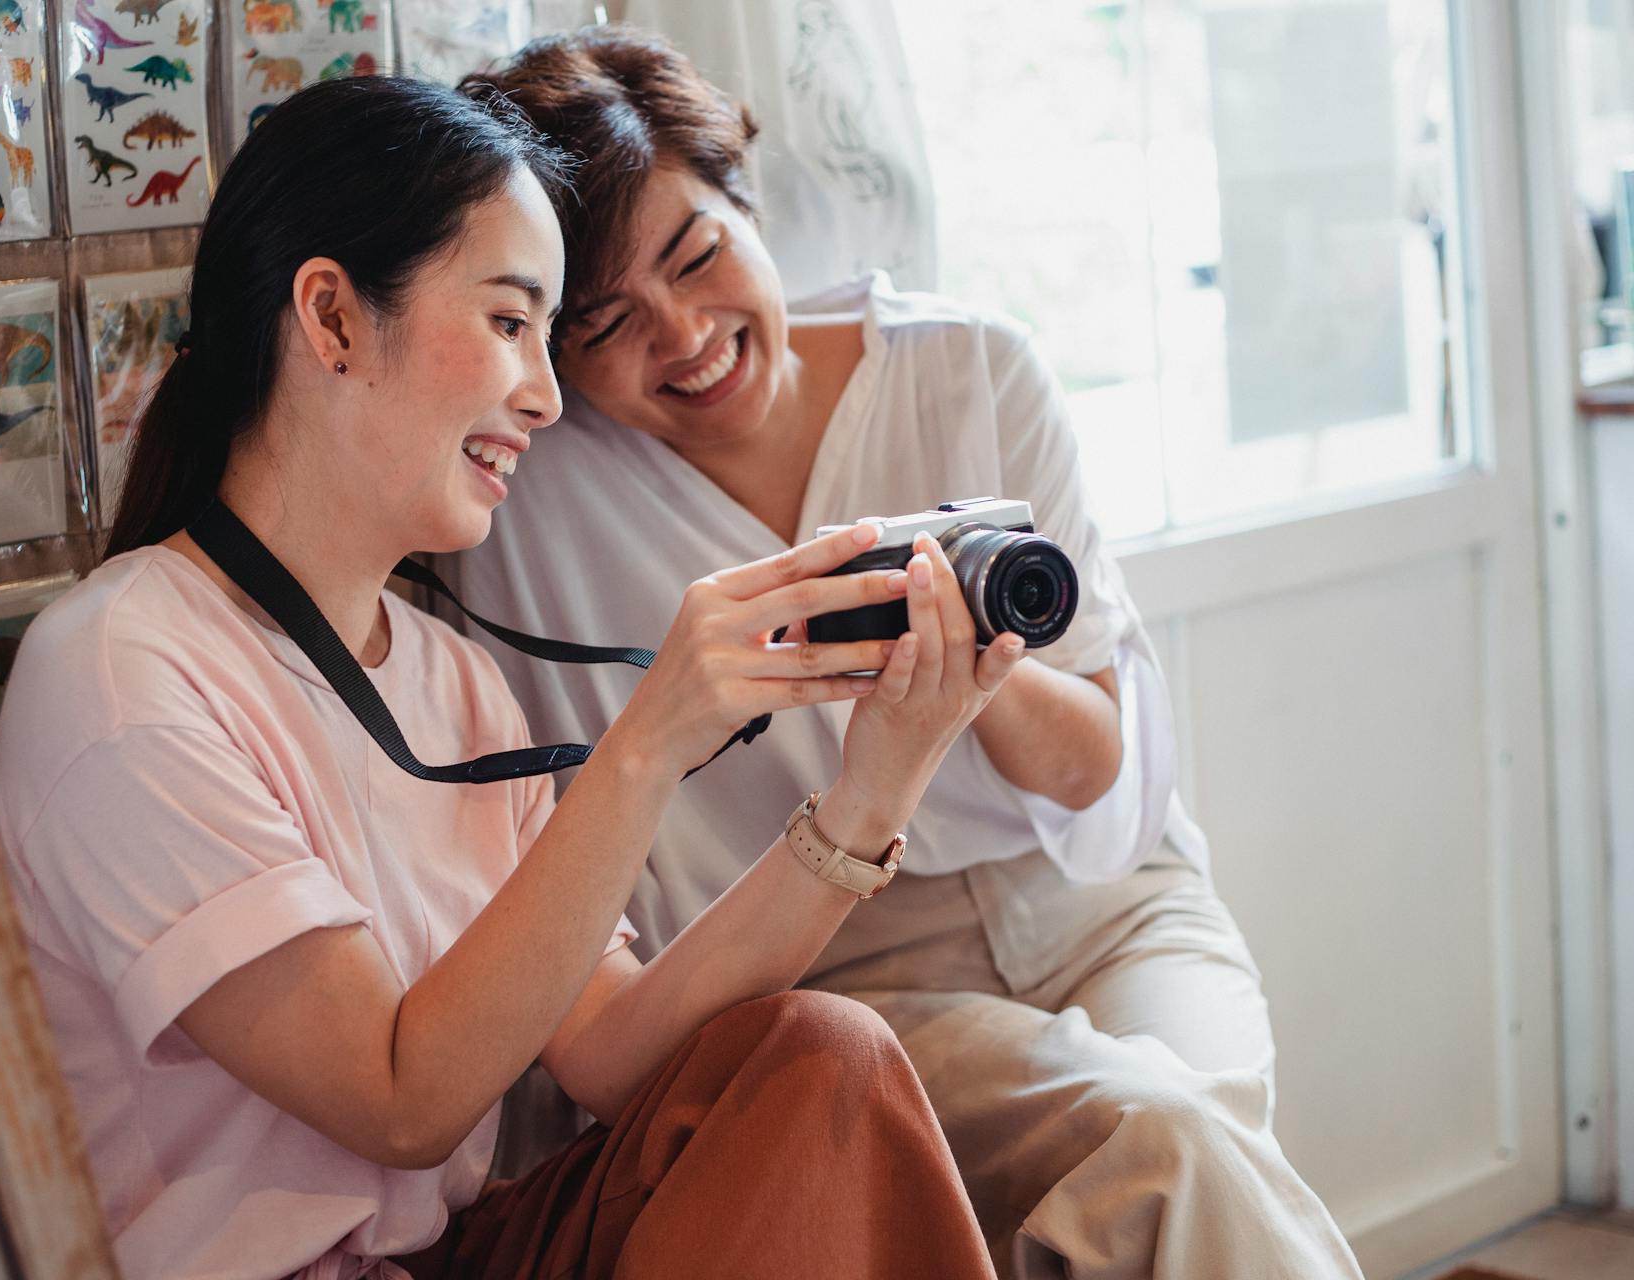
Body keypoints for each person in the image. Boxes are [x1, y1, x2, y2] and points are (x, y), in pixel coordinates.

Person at [0, 77, 1006, 1280]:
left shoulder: (451, 679)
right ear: (331, 317)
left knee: (821, 1054)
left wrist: (872, 791)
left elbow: (615, 1053)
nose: (547, 394)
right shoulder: (122, 669)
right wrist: (645, 745)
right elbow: (399, 1099)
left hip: (453, 1254)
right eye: (513, 323)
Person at [453, 30, 1367, 1280]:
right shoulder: (531, 505)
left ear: (748, 201)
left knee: (1202, 1124)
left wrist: (973, 677)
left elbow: (1096, 766)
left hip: (1100, 907)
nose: (682, 337)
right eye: (607, 320)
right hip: (845, 957)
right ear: (554, 348)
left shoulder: (970, 369)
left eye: (700, 255)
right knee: (1168, 1151)